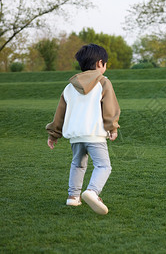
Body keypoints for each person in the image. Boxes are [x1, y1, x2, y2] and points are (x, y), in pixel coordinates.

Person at [46, 44, 120, 214]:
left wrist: (54, 134)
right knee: (103, 166)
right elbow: (110, 108)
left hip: (76, 136)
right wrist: (112, 128)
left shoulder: (70, 87)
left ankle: (73, 197)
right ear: (100, 63)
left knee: (78, 165)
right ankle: (93, 192)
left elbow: (60, 113)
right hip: (94, 134)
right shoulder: (103, 82)